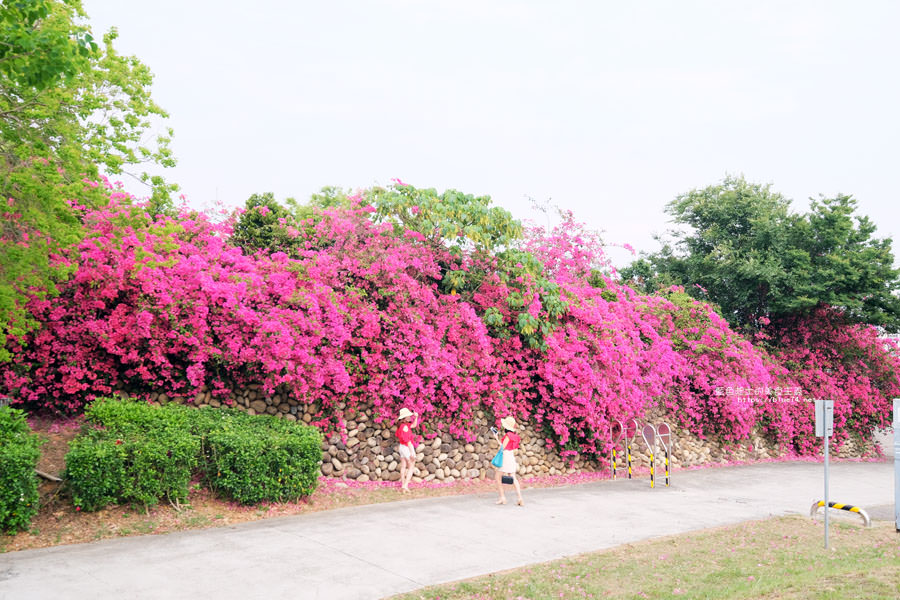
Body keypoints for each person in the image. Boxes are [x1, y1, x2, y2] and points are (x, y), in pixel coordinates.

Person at [493, 415, 524, 506]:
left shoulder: (508, 436)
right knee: (513, 478)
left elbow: (502, 447)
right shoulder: (515, 436)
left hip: (505, 456)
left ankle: (502, 498)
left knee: (498, 477)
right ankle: (520, 498)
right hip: (511, 456)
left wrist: (496, 437)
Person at [396, 407, 419, 493]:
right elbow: (408, 441)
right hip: (406, 447)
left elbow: (414, 425)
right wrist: (412, 452)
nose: (410, 417)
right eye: (408, 416)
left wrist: (416, 417)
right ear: (404, 418)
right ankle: (405, 486)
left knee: (403, 466)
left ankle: (403, 484)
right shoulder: (405, 427)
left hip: (402, 447)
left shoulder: (402, 426)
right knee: (411, 466)